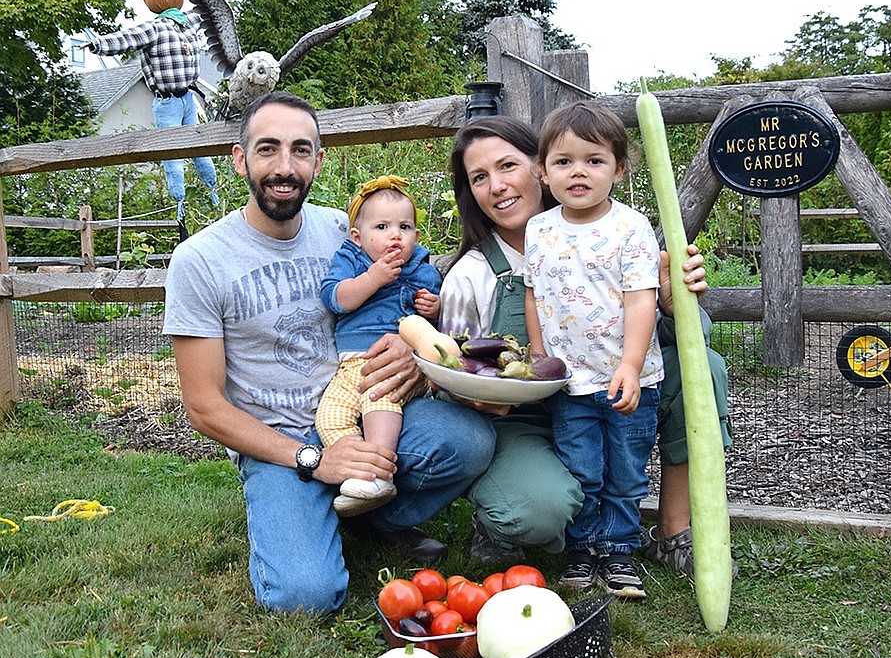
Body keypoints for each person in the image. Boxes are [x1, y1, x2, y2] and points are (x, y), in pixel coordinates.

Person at [162, 91, 495, 616]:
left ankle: (367, 518)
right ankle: (310, 506)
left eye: (300, 150)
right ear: (239, 158)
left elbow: (397, 301)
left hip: (364, 402)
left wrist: (410, 355)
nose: (284, 167)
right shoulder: (200, 260)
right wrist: (313, 459)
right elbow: (205, 406)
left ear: (319, 160)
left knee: (469, 439)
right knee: (305, 597)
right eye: (267, 149)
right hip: (281, 441)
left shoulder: (347, 230)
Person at [439, 114, 733, 578]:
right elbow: (451, 371)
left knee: (707, 368)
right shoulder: (470, 275)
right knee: (535, 511)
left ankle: (672, 532)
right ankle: (505, 517)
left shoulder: (619, 233)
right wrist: (473, 393)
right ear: (551, 167)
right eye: (479, 177)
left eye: (507, 166)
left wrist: (677, 304)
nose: (496, 186)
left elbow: (697, 342)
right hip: (527, 421)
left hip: (613, 388)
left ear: (535, 167)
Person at [524, 102, 664, 599]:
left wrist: (629, 363)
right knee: (581, 468)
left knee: (626, 472)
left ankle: (621, 550)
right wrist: (540, 358)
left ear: (619, 170)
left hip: (630, 379)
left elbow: (641, 297)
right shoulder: (539, 229)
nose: (578, 171)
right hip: (570, 382)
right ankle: (581, 549)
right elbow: (534, 293)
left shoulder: (631, 228)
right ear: (543, 172)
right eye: (563, 161)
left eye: (594, 160)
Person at [317, 175, 442, 517]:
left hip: (392, 363)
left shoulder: (419, 267)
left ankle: (378, 476)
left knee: (380, 402)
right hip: (349, 365)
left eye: (405, 226)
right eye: (383, 226)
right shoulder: (352, 260)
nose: (395, 235)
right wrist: (373, 278)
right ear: (358, 236)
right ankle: (361, 472)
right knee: (330, 417)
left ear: (416, 235)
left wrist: (434, 307)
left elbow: (430, 326)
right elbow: (336, 299)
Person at [84, 0, 219, 234]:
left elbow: (207, 13)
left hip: (186, 98)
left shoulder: (186, 22)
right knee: (172, 156)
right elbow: (125, 40)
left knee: (199, 148)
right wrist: (97, 45)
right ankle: (181, 206)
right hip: (168, 101)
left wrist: (96, 44)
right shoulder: (156, 29)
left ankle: (213, 191)